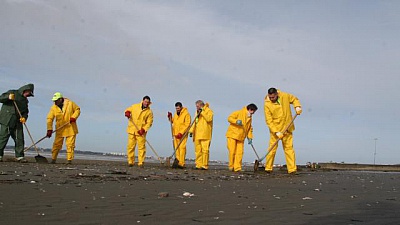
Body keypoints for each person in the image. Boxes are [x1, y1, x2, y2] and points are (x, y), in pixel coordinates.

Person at [264, 87, 302, 174]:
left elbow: (294, 99)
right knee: (272, 149)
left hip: (287, 128)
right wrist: (276, 131)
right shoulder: (267, 104)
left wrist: (297, 107)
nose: (271, 99)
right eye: (270, 97)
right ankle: (268, 168)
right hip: (276, 130)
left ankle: (292, 169)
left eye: (273, 97)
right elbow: (268, 120)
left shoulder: (284, 96)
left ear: (277, 94)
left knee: (289, 149)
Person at [0, 84, 34, 163]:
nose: (28, 95)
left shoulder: (25, 101)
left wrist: (24, 117)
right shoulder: (12, 92)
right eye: (28, 92)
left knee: (19, 139)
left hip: (17, 122)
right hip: (7, 120)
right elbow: (0, 98)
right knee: (3, 138)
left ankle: (20, 156)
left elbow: (25, 112)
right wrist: (8, 97)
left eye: (29, 94)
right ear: (25, 90)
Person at [46, 92, 81, 164]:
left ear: (61, 99)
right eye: (54, 101)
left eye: (56, 100)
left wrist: (73, 117)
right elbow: (50, 119)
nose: (55, 102)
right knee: (56, 144)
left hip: (70, 128)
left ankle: (69, 160)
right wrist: (49, 129)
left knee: (70, 145)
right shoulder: (53, 108)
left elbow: (77, 110)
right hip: (60, 129)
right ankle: (53, 159)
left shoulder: (70, 103)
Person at [226, 103, 258, 172]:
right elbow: (229, 118)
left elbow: (249, 128)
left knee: (240, 153)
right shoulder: (239, 112)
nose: (253, 113)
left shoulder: (250, 118)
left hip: (241, 137)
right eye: (253, 111)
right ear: (250, 109)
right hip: (233, 135)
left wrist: (250, 137)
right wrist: (236, 121)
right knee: (232, 151)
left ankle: (237, 168)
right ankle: (231, 167)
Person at [125, 96, 153, 167]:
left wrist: (143, 129)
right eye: (145, 101)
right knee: (130, 147)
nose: (146, 103)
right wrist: (127, 112)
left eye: (147, 102)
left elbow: (149, 123)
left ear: (149, 103)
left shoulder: (149, 112)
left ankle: (141, 162)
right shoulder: (135, 106)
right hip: (132, 130)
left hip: (141, 132)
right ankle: (130, 162)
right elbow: (128, 110)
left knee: (141, 148)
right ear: (143, 101)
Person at [189, 100, 213, 170]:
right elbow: (195, 122)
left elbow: (209, 119)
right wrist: (191, 131)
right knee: (198, 151)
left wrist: (202, 112)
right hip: (197, 134)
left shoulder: (209, 111)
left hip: (205, 134)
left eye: (197, 106)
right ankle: (198, 164)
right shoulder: (197, 112)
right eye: (196, 106)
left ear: (201, 105)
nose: (196, 108)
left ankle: (204, 165)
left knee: (205, 151)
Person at [168, 102, 191, 168]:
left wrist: (181, 132)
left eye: (178, 108)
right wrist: (170, 117)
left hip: (182, 134)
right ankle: (177, 161)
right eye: (176, 108)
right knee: (176, 148)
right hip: (176, 134)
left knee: (182, 148)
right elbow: (174, 122)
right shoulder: (176, 114)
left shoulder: (186, 114)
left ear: (181, 107)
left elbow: (187, 124)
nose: (177, 109)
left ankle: (181, 163)